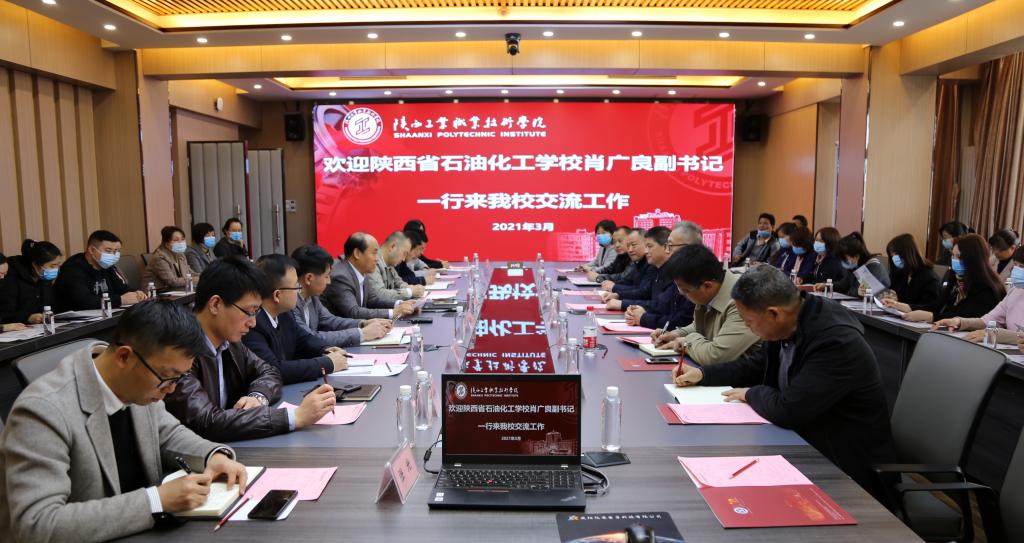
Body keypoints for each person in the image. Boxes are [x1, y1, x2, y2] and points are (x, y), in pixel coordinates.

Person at [0, 299, 249, 542]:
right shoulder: (43, 410)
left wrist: (212, 457)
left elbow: (167, 433)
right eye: (168, 377)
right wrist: (156, 500)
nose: (171, 389)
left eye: (179, 378)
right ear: (123, 357)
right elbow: (37, 525)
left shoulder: (138, 380)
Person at [671, 265, 894, 503]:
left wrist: (751, 394)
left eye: (749, 322)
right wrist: (703, 374)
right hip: (804, 443)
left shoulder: (835, 342)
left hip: (846, 471)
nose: (748, 329)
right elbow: (757, 366)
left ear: (773, 314)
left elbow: (789, 410)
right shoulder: (789, 321)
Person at [164, 256, 337, 442]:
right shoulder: (178, 350)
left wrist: (258, 397)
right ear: (215, 304)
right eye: (248, 311)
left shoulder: (230, 343)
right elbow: (206, 422)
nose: (253, 323)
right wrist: (294, 417)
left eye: (256, 312)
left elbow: (270, 371)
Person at [242, 254, 349, 384]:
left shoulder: (285, 314)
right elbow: (274, 369)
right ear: (277, 295)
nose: (299, 292)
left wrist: (326, 349)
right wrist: (327, 363)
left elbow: (304, 339)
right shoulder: (253, 325)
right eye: (296, 287)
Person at [654, 244, 760, 365]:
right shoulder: (711, 291)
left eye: (685, 290)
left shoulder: (742, 300)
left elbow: (716, 356)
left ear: (707, 286)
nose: (681, 294)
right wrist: (674, 334)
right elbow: (700, 326)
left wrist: (686, 341)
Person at [290, 244, 391, 347]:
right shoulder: (290, 303)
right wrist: (362, 334)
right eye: (326, 276)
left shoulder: (312, 296)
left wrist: (363, 323)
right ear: (309, 278)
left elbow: (331, 321)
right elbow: (310, 339)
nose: (329, 282)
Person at [891, 234, 1004, 323]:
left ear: (974, 259)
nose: (954, 260)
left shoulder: (986, 288)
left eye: (959, 256)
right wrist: (905, 307)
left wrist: (930, 316)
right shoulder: (957, 277)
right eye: (953, 255)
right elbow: (938, 305)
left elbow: (965, 317)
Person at [934, 246, 1024, 343]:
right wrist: (959, 322)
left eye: (1022, 266)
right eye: (1015, 265)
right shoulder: (1015, 291)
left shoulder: (987, 288)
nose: (1016, 270)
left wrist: (993, 334)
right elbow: (988, 320)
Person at [322, 232, 417, 320]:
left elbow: (372, 299)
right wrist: (393, 312)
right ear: (357, 253)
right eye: (374, 253)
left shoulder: (362, 269)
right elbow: (353, 312)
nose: (377, 259)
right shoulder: (341, 276)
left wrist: (399, 304)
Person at [622, 224, 698, 329]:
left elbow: (682, 321)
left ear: (688, 247)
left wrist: (643, 318)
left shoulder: (696, 275)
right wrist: (639, 311)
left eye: (670, 246)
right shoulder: (672, 271)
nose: (667, 251)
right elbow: (661, 304)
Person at [55, 230, 145, 311]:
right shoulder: (73, 268)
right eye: (108, 251)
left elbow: (121, 288)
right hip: (74, 320)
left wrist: (135, 293)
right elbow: (84, 301)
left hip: (103, 314)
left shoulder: (107, 266)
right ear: (91, 250)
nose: (113, 255)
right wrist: (120, 300)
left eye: (116, 251)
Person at [0, 240, 62, 325]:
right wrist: (27, 317)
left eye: (58, 265)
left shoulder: (44, 279)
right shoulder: (10, 278)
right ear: (35, 264)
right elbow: (4, 314)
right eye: (52, 266)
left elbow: (51, 307)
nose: (56, 269)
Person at [818, 232, 890, 298]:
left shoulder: (873, 266)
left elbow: (867, 293)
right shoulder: (855, 266)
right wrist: (826, 285)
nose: (842, 262)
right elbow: (844, 285)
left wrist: (855, 292)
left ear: (856, 256)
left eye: (844, 259)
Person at [880, 233, 940, 310]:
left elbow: (929, 307)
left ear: (908, 253)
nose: (894, 258)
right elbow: (898, 297)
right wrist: (893, 298)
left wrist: (899, 304)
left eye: (896, 254)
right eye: (892, 255)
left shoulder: (929, 278)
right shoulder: (900, 273)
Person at [367, 231, 425, 305]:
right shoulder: (373, 262)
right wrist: (409, 292)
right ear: (392, 247)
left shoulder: (390, 264)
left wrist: (410, 287)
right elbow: (379, 294)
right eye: (404, 253)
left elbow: (398, 282)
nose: (404, 259)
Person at [603, 228, 657, 309]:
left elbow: (643, 293)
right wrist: (617, 293)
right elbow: (628, 281)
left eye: (633, 245)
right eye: (628, 246)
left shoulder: (652, 264)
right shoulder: (638, 262)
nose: (630, 250)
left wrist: (615, 290)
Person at [142, 226, 198, 291]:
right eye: (176, 240)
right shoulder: (160, 257)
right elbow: (172, 282)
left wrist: (204, 276)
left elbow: (190, 273)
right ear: (166, 244)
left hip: (175, 291)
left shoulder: (180, 255)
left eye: (182, 239)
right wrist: (195, 279)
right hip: (154, 293)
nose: (180, 243)